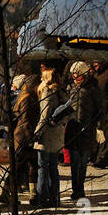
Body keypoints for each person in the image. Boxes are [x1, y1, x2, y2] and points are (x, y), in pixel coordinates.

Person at [33, 63, 69, 207]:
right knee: (53, 167)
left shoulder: (48, 92)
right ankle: (55, 198)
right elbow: (68, 112)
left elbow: (44, 115)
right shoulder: (61, 92)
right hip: (57, 134)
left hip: (46, 135)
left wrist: (36, 133)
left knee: (43, 168)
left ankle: (42, 199)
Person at [66, 62, 101, 200]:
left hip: (87, 129)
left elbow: (99, 109)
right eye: (74, 74)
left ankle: (80, 188)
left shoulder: (93, 88)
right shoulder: (71, 89)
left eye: (78, 74)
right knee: (74, 162)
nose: (76, 77)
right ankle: (76, 189)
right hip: (73, 128)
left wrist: (98, 126)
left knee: (82, 161)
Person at [10, 72, 40, 197]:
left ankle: (32, 193)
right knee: (19, 166)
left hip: (24, 135)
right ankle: (10, 193)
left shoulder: (26, 96)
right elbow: (26, 119)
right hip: (25, 136)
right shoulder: (28, 98)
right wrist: (32, 136)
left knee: (27, 166)